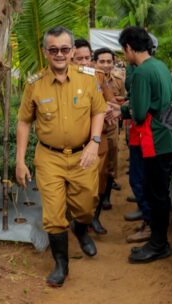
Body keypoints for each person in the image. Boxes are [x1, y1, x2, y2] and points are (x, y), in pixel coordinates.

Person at [15, 26, 108, 287]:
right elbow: (23, 122)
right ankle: (61, 265)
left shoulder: (88, 79)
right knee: (54, 214)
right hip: (49, 158)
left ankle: (80, 228)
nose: (59, 54)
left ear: (72, 52)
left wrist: (95, 141)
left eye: (65, 49)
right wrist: (20, 161)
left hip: (83, 156)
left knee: (87, 204)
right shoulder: (34, 85)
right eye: (53, 49)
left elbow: (98, 111)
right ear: (46, 52)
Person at [114, 26, 172, 263]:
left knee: (156, 195)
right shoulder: (160, 65)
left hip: (157, 141)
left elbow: (141, 113)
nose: (125, 56)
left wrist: (125, 109)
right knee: (159, 193)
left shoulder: (143, 72)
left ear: (129, 48)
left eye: (124, 51)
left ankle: (158, 244)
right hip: (169, 137)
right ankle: (157, 240)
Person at [71, 39, 108, 235]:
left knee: (96, 185)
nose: (84, 63)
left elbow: (108, 101)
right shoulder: (63, 79)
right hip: (72, 143)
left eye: (87, 58)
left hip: (96, 141)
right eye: (79, 59)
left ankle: (92, 219)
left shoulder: (99, 77)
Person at [93, 47, 127, 217]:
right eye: (102, 61)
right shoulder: (89, 80)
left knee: (110, 165)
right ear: (95, 62)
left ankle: (105, 197)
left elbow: (121, 102)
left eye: (109, 62)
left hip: (111, 128)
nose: (106, 65)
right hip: (93, 131)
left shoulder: (119, 80)